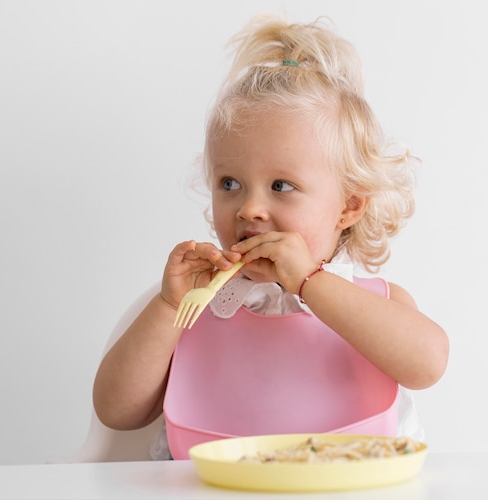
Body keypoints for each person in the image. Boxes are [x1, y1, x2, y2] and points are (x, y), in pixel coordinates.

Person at [93, 13, 449, 460]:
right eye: (229, 183)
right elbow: (116, 412)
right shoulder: (194, 305)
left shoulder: (373, 303)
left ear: (349, 206)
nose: (248, 208)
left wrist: (311, 283)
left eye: (281, 186)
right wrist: (169, 306)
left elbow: (429, 363)